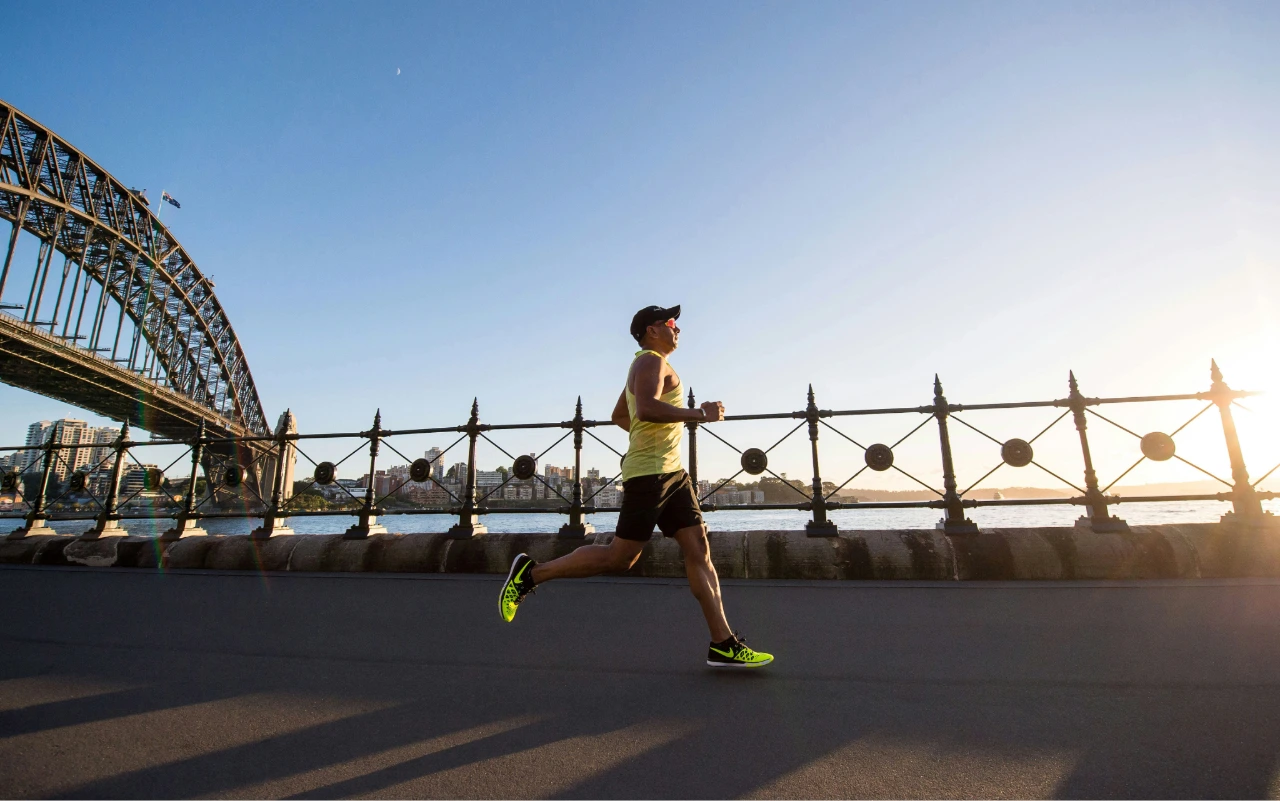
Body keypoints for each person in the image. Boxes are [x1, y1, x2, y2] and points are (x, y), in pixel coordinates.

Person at [499, 304, 773, 668]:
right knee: (620, 558)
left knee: (699, 549)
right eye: (671, 323)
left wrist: (654, 438)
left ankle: (723, 643)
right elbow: (644, 409)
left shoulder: (651, 363)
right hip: (651, 475)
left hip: (673, 474)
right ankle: (530, 574)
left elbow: (620, 416)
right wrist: (698, 415)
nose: (678, 329)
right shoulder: (650, 362)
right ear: (651, 330)